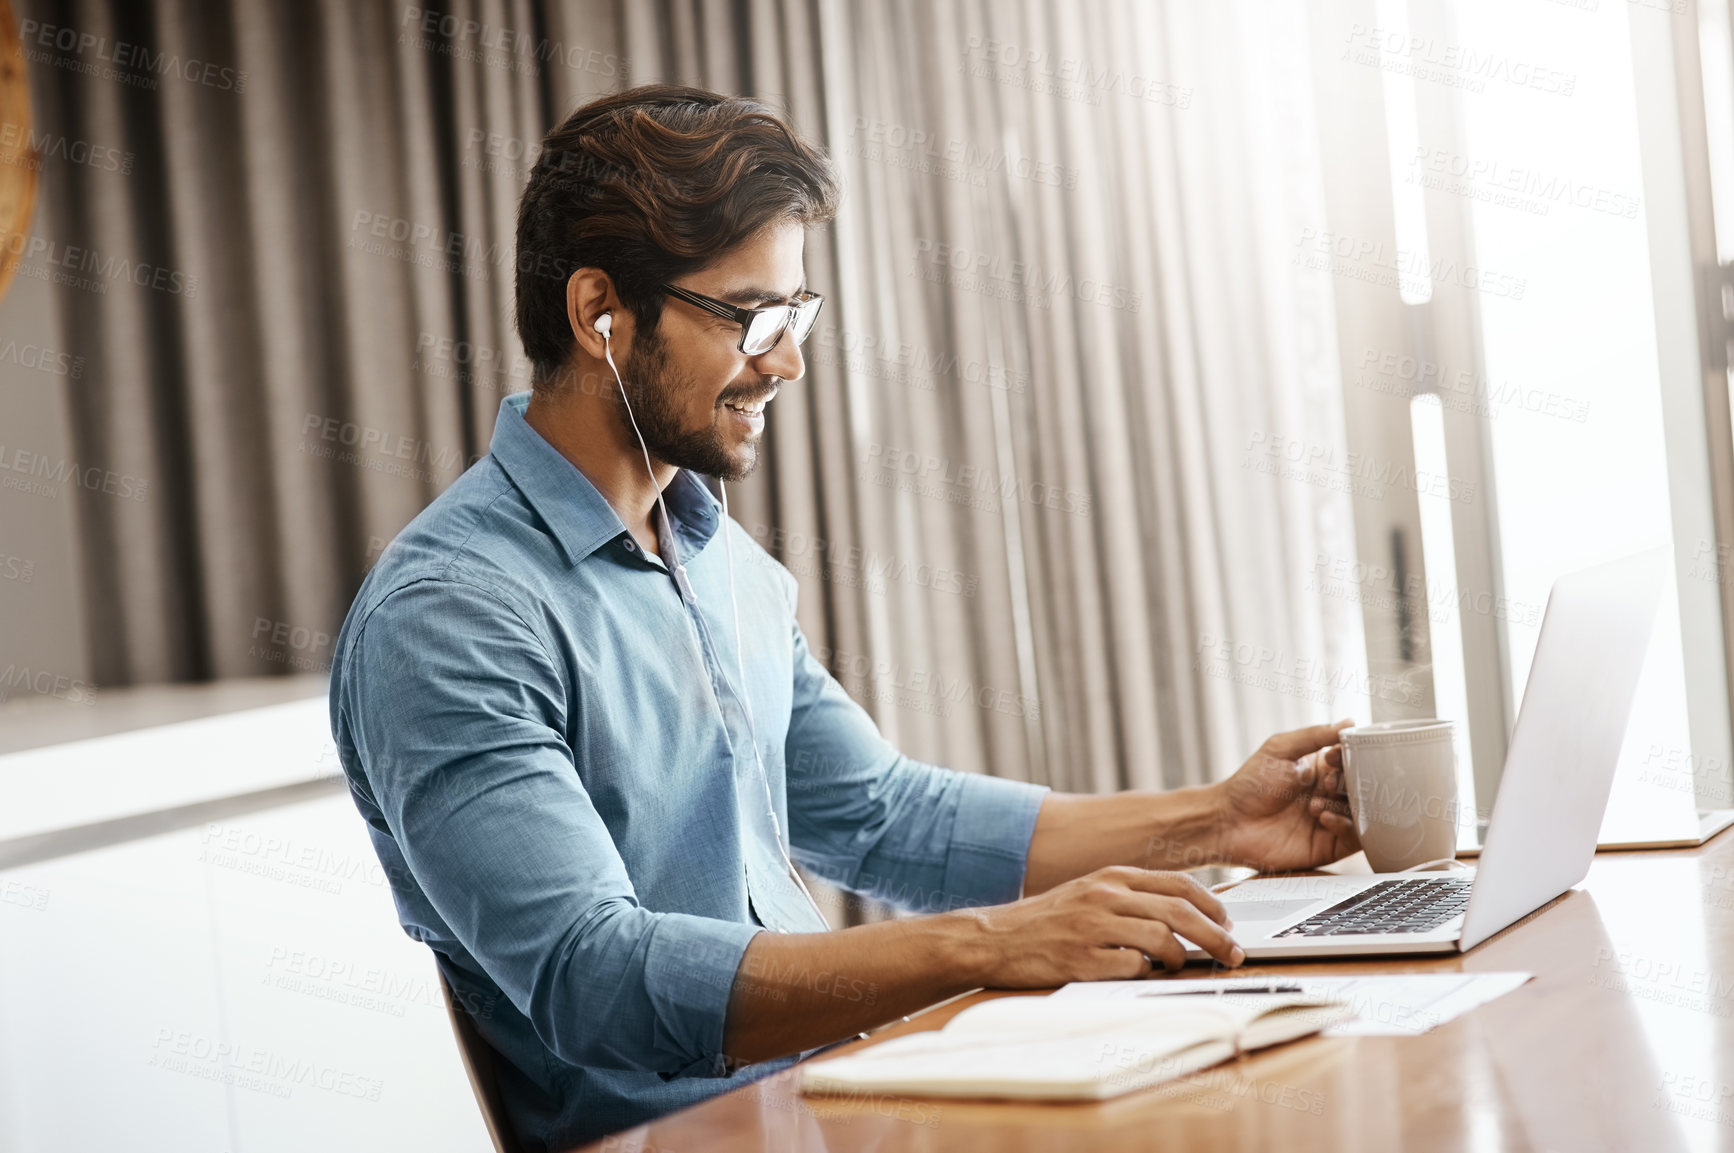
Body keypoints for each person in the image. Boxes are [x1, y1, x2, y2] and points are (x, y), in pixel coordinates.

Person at [328, 83, 1359, 1152]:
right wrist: (992, 945)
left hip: (840, 1104)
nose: (788, 360)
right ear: (601, 312)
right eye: (752, 318)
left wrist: (1219, 822)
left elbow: (884, 815)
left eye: (797, 314)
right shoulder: (449, 617)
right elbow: (602, 979)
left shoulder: (718, 557)